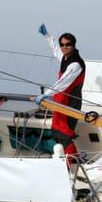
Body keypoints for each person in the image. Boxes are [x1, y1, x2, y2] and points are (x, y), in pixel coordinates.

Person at [36, 23, 85, 159]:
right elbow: (55, 49)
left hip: (70, 102)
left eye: (67, 44)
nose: (64, 47)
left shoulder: (75, 64)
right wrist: (47, 35)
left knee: (64, 133)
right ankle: (69, 158)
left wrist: (45, 95)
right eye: (62, 44)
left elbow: (62, 83)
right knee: (57, 132)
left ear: (73, 45)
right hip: (60, 102)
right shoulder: (65, 57)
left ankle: (71, 161)